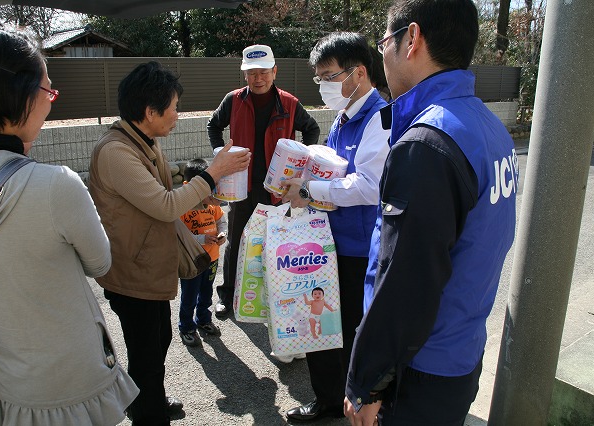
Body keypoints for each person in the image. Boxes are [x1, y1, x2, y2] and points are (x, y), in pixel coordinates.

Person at [0, 20, 139, 425]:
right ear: (16, 92)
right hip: (64, 381)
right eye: (47, 89)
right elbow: (100, 263)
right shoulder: (54, 186)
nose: (52, 101)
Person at [344, 1, 518, 424]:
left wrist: (366, 383)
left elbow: (405, 282)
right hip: (459, 355)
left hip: (415, 373)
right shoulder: (489, 127)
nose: (382, 54)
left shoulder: (426, 144)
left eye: (385, 41)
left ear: (412, 39)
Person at [88, 61, 250, 426]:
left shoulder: (142, 140)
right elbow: (164, 205)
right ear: (150, 112)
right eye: (174, 107)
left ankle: (150, 399)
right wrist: (213, 174)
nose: (178, 114)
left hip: (148, 269)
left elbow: (164, 196)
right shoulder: (117, 151)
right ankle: (148, 413)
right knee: (147, 351)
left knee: (156, 343)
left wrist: (211, 187)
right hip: (132, 274)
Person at [282, 32, 391, 422]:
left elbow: (368, 185)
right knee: (322, 326)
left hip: (359, 249)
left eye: (329, 76)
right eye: (319, 79)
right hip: (329, 243)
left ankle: (359, 402)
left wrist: (310, 190)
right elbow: (330, 169)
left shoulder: (379, 118)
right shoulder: (343, 118)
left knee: (354, 331)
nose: (324, 86)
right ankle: (328, 399)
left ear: (358, 73)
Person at [207, 44, 320, 319]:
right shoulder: (233, 100)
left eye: (264, 73)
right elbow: (213, 124)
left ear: (274, 72)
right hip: (241, 186)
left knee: (278, 243)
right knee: (236, 241)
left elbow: (312, 129)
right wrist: (221, 155)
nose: (258, 79)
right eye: (252, 73)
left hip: (277, 189)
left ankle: (276, 296)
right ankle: (227, 296)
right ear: (244, 74)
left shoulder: (289, 103)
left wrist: (299, 167)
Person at [178, 158, 227, 347]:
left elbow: (221, 222)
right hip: (192, 260)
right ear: (187, 185)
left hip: (212, 258)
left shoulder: (212, 203)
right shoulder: (181, 206)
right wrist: (201, 239)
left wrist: (223, 234)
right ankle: (187, 327)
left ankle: (204, 320)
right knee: (189, 296)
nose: (208, 192)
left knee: (206, 293)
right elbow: (180, 236)